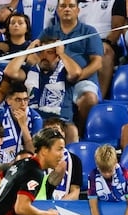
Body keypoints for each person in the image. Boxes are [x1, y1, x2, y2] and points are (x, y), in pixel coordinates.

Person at [39, 0, 103, 137]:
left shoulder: (88, 31)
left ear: (78, 10)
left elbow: (97, 63)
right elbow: (34, 55)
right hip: (52, 80)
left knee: (89, 98)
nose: (67, 9)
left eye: (71, 6)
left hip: (81, 80)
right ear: (57, 10)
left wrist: (76, 76)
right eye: (63, 6)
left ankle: (80, 134)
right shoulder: (48, 32)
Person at [5, 37, 82, 144]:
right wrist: (28, 51)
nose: (44, 56)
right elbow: (9, 72)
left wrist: (62, 54)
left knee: (71, 130)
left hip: (60, 121)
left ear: (57, 55)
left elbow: (76, 73)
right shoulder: (31, 69)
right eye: (41, 52)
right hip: (34, 119)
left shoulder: (64, 70)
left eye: (49, 52)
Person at [77, 0, 127, 98]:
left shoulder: (117, 1)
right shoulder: (78, 2)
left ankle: (99, 98)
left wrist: (102, 43)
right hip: (81, 42)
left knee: (105, 52)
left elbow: (117, 28)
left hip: (104, 41)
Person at [87, 144, 128, 215]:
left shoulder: (126, 174)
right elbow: (93, 206)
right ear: (97, 165)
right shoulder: (93, 175)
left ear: (115, 162)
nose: (106, 174)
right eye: (103, 171)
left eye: (109, 171)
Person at [0, 81, 44, 158]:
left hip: (26, 163)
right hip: (4, 162)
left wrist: (23, 126)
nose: (23, 104)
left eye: (25, 99)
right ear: (9, 101)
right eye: (18, 100)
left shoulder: (35, 119)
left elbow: (34, 152)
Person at [41, 117, 83, 200]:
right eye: (48, 131)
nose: (53, 134)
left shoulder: (75, 160)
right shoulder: (38, 159)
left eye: (56, 130)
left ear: (63, 133)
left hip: (66, 206)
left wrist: (60, 205)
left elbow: (75, 192)